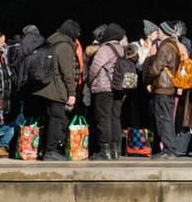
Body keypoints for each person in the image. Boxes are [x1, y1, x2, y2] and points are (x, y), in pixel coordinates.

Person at [37, 20, 83, 161]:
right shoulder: (64, 47)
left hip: (47, 87)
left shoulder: (52, 43)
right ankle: (51, 150)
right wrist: (72, 93)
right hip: (57, 89)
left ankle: (45, 149)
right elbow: (67, 73)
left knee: (50, 119)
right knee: (57, 120)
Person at [85, 24, 128, 161]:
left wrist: (89, 81)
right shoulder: (121, 49)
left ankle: (105, 150)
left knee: (103, 118)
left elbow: (95, 68)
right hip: (118, 88)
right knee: (115, 118)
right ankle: (115, 150)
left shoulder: (105, 49)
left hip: (104, 88)